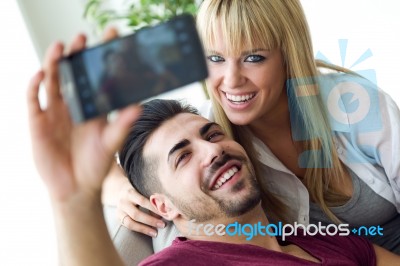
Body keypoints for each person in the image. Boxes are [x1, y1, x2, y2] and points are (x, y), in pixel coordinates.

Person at [27, 56, 400, 265]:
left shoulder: (322, 240)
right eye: (183, 157)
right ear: (163, 206)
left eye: (212, 135)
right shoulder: (182, 265)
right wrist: (74, 201)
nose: (213, 150)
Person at [103, 0, 400, 254]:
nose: (231, 80)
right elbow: (109, 161)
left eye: (253, 58)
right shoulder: (207, 135)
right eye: (215, 58)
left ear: (289, 56)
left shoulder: (354, 105)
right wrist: (121, 189)